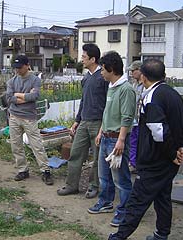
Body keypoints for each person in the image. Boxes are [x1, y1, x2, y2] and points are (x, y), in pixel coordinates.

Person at [109, 59, 183, 240]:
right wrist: (182, 147)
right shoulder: (174, 94)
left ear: (144, 77)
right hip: (168, 161)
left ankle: (118, 237)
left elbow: (159, 132)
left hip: (155, 162)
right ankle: (161, 235)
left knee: (137, 202)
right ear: (164, 75)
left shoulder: (152, 98)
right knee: (163, 198)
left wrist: (172, 154)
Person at [88, 51, 135, 228]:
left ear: (112, 69)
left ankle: (125, 212)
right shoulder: (112, 86)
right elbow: (107, 113)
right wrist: (101, 132)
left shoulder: (126, 89)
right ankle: (105, 202)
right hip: (106, 137)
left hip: (117, 140)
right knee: (104, 176)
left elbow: (127, 117)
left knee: (121, 179)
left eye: (103, 69)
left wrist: (121, 140)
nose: (101, 71)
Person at [57, 43, 108, 198]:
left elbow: (108, 103)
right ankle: (72, 185)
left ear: (93, 59)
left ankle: (94, 186)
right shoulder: (86, 78)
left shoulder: (103, 77)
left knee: (97, 157)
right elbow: (84, 101)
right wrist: (77, 120)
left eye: (84, 57)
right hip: (84, 121)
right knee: (75, 153)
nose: (82, 59)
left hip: (98, 122)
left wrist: (104, 126)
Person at [6, 55, 53, 185]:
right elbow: (9, 98)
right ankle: (22, 170)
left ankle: (45, 171)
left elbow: (35, 96)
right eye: (16, 68)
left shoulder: (34, 80)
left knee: (37, 145)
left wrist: (18, 95)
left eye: (20, 67)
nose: (17, 70)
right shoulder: (11, 81)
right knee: (16, 145)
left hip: (29, 118)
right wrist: (25, 97)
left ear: (27, 65)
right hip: (14, 116)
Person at [127, 60, 144, 173]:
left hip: (141, 120)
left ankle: (137, 164)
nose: (131, 73)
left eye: (133, 71)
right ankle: (133, 163)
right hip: (134, 120)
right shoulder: (134, 84)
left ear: (140, 70)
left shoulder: (145, 85)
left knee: (140, 143)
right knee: (133, 143)